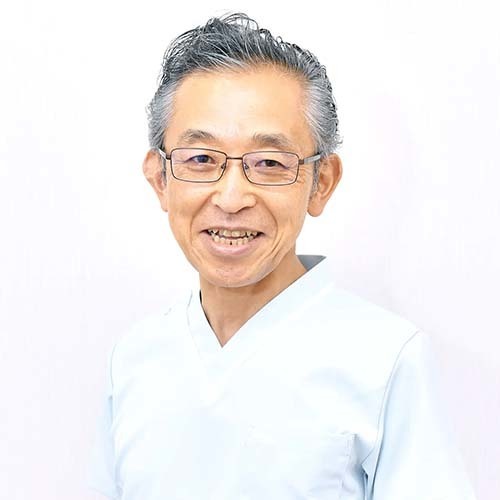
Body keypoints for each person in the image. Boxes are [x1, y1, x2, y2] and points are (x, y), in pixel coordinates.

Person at [89, 13, 476, 500]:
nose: (232, 198)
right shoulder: (132, 360)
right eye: (201, 159)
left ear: (322, 183)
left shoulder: (386, 360)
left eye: (269, 162)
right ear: (159, 179)